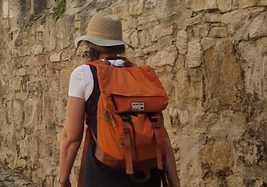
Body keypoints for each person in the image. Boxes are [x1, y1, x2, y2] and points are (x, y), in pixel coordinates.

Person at [57, 14, 180, 187]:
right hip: (148, 177)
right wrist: (175, 184)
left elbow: (71, 136)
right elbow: (162, 136)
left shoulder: (84, 74)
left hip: (102, 177)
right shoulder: (138, 75)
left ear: (90, 44)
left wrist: (63, 179)